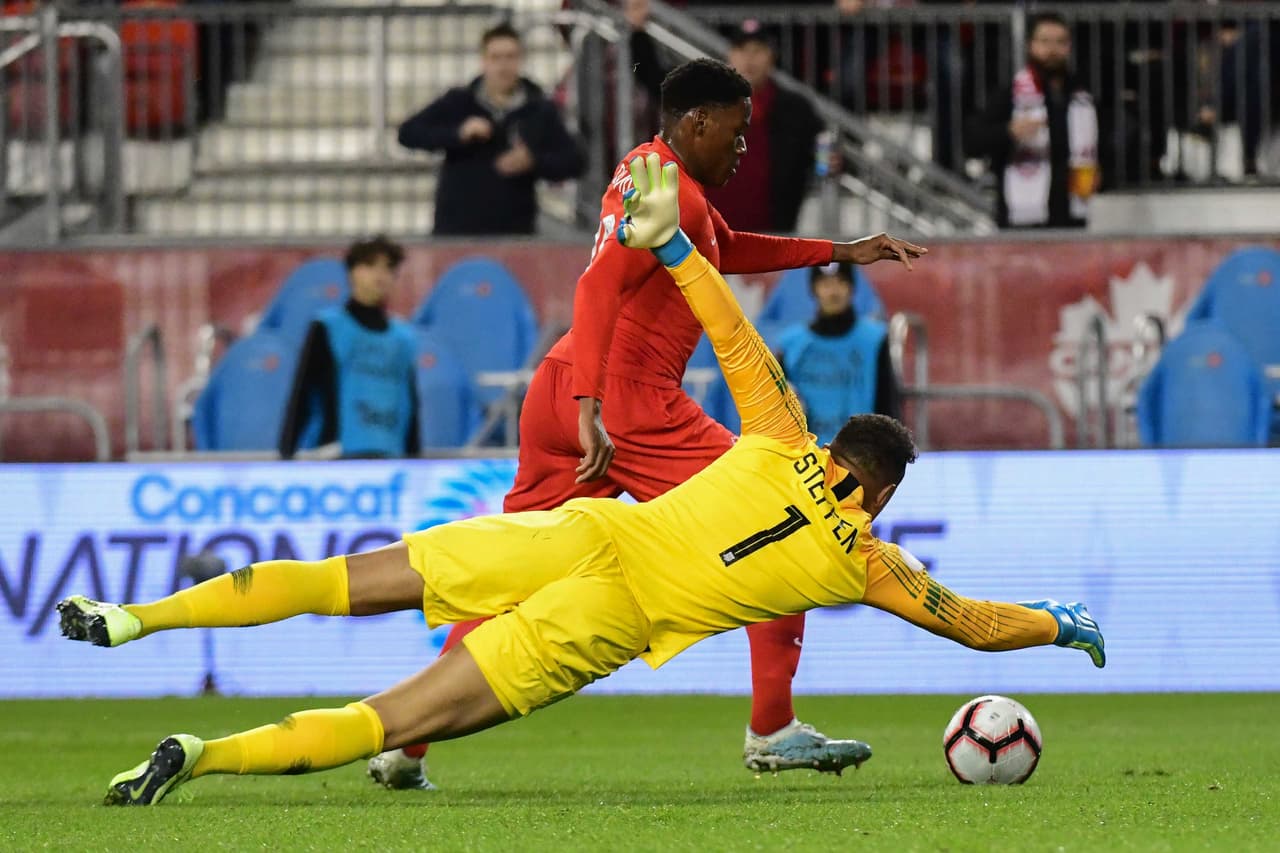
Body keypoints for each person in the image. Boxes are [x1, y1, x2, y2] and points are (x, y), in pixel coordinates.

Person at [57, 153, 1105, 806]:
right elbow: (970, 622)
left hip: (577, 534)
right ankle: (197, 755)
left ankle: (134, 618)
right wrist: (1056, 622)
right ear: (878, 492)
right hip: (602, 621)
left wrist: (674, 250)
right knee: (386, 716)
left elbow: (734, 336)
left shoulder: (780, 435)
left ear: (833, 455)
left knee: (342, 576)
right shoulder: (864, 562)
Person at [372, 57, 928, 790]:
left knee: (511, 578)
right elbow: (597, 283)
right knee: (788, 516)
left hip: (562, 382)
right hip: (627, 400)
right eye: (735, 133)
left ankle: (402, 740)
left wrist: (839, 251)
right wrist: (595, 407)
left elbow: (723, 250)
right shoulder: (669, 189)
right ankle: (772, 727)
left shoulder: (657, 177)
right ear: (697, 122)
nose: (741, 148)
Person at [397, 22, 585, 235]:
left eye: (510, 57)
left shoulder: (538, 110)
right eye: (496, 58)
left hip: (515, 232)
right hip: (457, 231)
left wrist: (533, 161)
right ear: (483, 61)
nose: (503, 66)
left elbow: (574, 161)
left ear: (520, 60)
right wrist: (458, 133)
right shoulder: (460, 102)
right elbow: (407, 133)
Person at [278, 236, 419, 460]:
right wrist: (285, 453)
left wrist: (415, 460)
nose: (380, 275)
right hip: (337, 457)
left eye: (389, 268)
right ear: (352, 271)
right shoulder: (327, 326)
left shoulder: (404, 337)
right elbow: (301, 393)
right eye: (370, 265)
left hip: (391, 456)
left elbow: (410, 404)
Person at [964, 12, 1099, 229]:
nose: (1052, 50)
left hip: (1072, 217)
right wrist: (1008, 132)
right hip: (1021, 222)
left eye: (1060, 42)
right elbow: (972, 141)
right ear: (1030, 45)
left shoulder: (1083, 98)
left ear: (1069, 47)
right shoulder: (1010, 95)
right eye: (1045, 41)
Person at [704, 22, 822, 233]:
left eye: (758, 51)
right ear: (730, 56)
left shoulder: (796, 109)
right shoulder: (703, 104)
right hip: (710, 239)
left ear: (771, 57)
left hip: (772, 240)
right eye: (742, 50)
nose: (750, 59)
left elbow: (824, 152)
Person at [776, 262, 901, 445]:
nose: (833, 292)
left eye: (840, 282)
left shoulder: (873, 339)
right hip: (806, 456)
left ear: (851, 287)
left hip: (860, 455)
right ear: (814, 289)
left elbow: (887, 403)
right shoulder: (791, 344)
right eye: (825, 284)